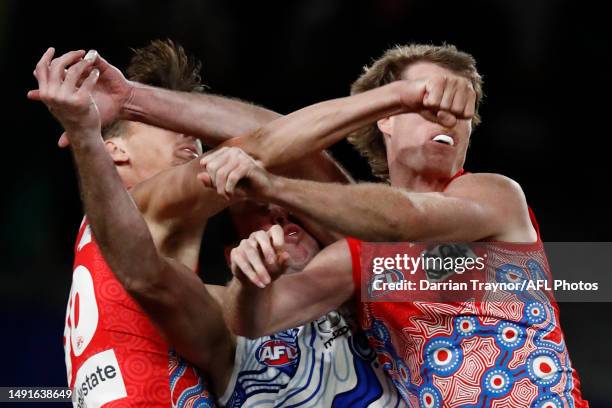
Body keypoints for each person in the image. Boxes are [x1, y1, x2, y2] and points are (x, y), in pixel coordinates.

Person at [31, 40, 414, 406]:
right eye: (161, 122)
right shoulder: (143, 209)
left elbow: (282, 153)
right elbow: (271, 144)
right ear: (114, 151)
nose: (190, 133)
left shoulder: (111, 239)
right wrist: (396, 97)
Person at [204, 44, 588, 406]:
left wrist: (274, 186)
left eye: (461, 111)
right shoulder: (359, 261)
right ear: (385, 117)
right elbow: (253, 321)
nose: (447, 118)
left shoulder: (496, 197)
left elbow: (405, 218)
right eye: (428, 102)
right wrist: (250, 279)